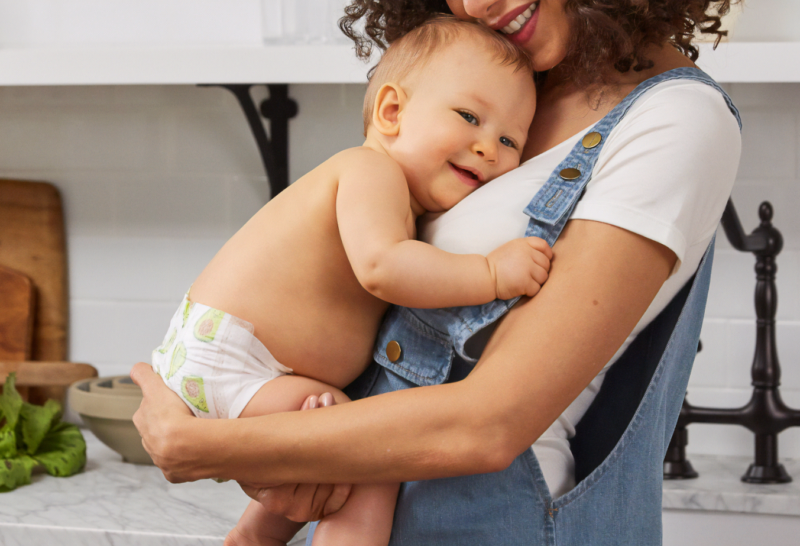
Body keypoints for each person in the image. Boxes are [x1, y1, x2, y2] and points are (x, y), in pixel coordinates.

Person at [131, 1, 742, 544]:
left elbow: (491, 425)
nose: (477, 4)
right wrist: (291, 458)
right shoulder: (490, 85)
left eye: (507, 139)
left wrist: (209, 447)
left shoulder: (676, 120)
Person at [148, 17, 546, 546]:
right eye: (469, 116)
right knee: (369, 462)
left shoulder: (399, 197)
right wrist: (492, 273)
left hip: (237, 357)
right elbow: (384, 269)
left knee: (333, 454)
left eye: (509, 139)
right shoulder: (369, 172)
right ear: (392, 111)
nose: (488, 148)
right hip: (233, 358)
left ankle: (251, 539)